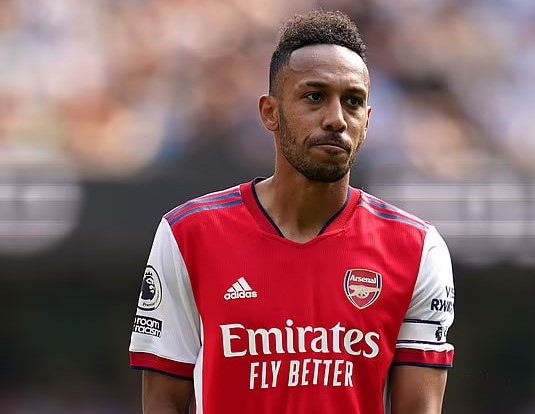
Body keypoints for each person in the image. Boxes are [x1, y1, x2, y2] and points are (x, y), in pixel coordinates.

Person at [129, 10, 455, 414]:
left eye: (353, 102)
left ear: (368, 121)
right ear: (270, 113)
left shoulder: (417, 249)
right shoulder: (188, 234)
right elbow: (163, 401)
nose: (336, 119)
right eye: (314, 97)